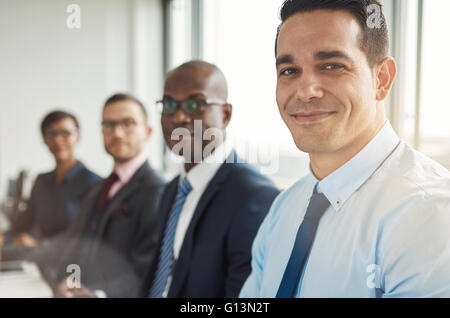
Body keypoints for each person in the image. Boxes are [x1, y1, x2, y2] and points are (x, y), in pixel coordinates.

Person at [240, 0, 450, 298]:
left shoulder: (429, 216)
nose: (305, 90)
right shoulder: (283, 209)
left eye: (332, 66)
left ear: (382, 79)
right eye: (289, 70)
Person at [140, 61, 280, 298]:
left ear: (225, 115)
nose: (179, 117)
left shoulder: (254, 197)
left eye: (196, 104)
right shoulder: (172, 190)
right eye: (170, 104)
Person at [35, 93, 166, 298]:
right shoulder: (100, 188)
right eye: (109, 125)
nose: (118, 133)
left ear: (148, 132)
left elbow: (149, 268)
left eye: (128, 123)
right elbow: (76, 246)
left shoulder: (156, 190)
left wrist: (98, 294)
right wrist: (67, 283)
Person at [1, 111, 100, 255]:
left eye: (65, 133)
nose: (58, 140)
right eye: (51, 134)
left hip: (73, 265)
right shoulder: (41, 181)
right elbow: (23, 224)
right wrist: (6, 238)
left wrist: (39, 244)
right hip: (37, 263)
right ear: (44, 139)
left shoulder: (94, 183)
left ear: (77, 136)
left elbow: (85, 236)